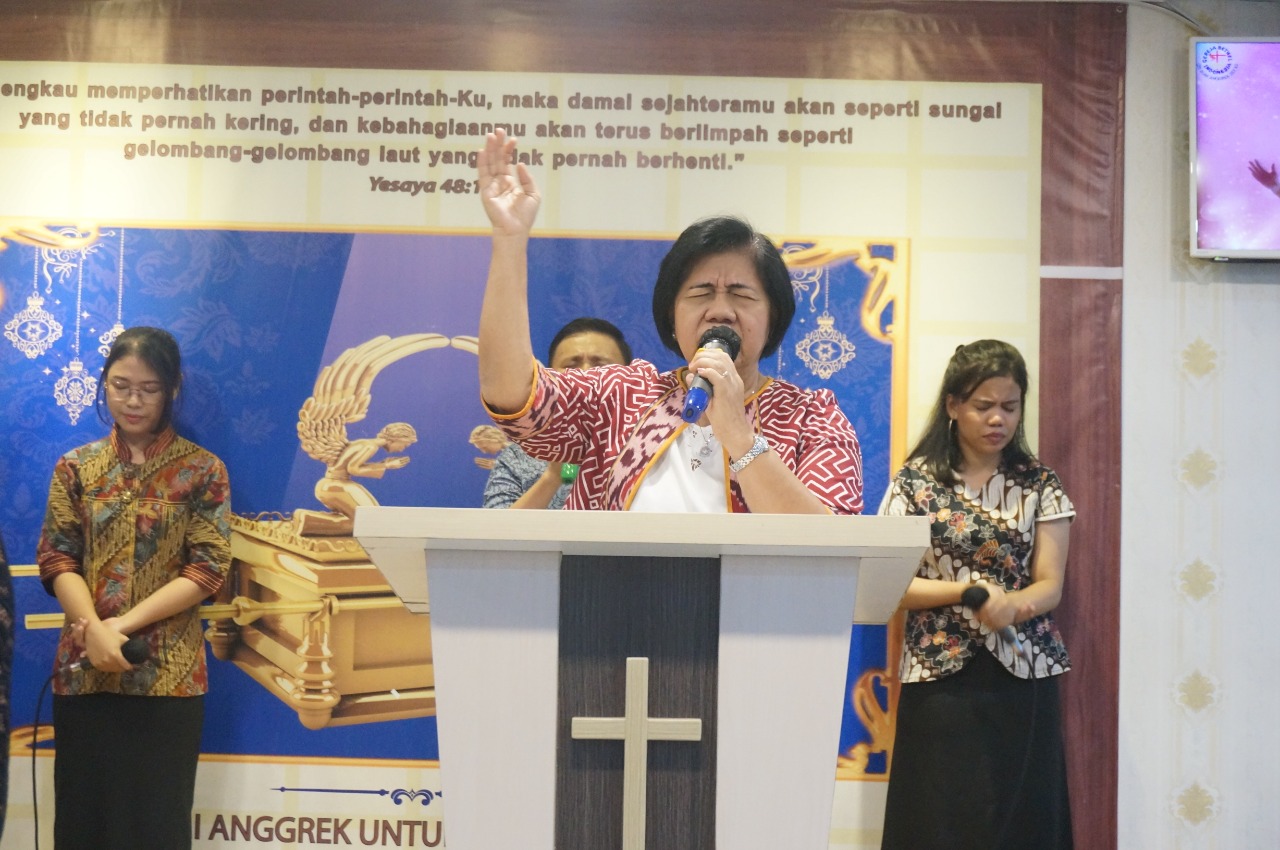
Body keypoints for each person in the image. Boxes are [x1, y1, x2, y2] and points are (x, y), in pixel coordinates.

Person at [476, 129, 862, 515]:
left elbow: (827, 543)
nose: (720, 310)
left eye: (741, 294)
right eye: (701, 293)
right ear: (672, 317)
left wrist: (740, 436)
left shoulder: (812, 417)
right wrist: (509, 239)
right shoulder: (619, 397)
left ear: (772, 317)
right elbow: (513, 395)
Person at [37, 326, 231, 850]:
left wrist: (118, 626)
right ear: (104, 384)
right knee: (83, 822)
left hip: (168, 676)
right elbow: (57, 557)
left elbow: (208, 568)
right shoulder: (76, 467)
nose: (133, 401)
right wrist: (93, 631)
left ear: (172, 389)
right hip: (85, 673)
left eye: (149, 389)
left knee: (156, 826)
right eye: (120, 386)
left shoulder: (202, 470)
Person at [878, 339, 1074, 850]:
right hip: (938, 676)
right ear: (953, 405)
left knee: (1023, 817)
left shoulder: (1040, 483)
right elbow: (891, 583)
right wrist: (967, 591)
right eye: (984, 406)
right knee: (938, 816)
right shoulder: (913, 484)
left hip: (1024, 671)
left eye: (1010, 406)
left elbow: (1050, 584)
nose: (997, 419)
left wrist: (1016, 604)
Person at [482, 316, 632, 509]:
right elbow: (496, 528)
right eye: (571, 366)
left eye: (600, 366)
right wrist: (552, 478)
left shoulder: (650, 444)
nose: (584, 375)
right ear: (549, 378)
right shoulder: (517, 458)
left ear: (630, 376)